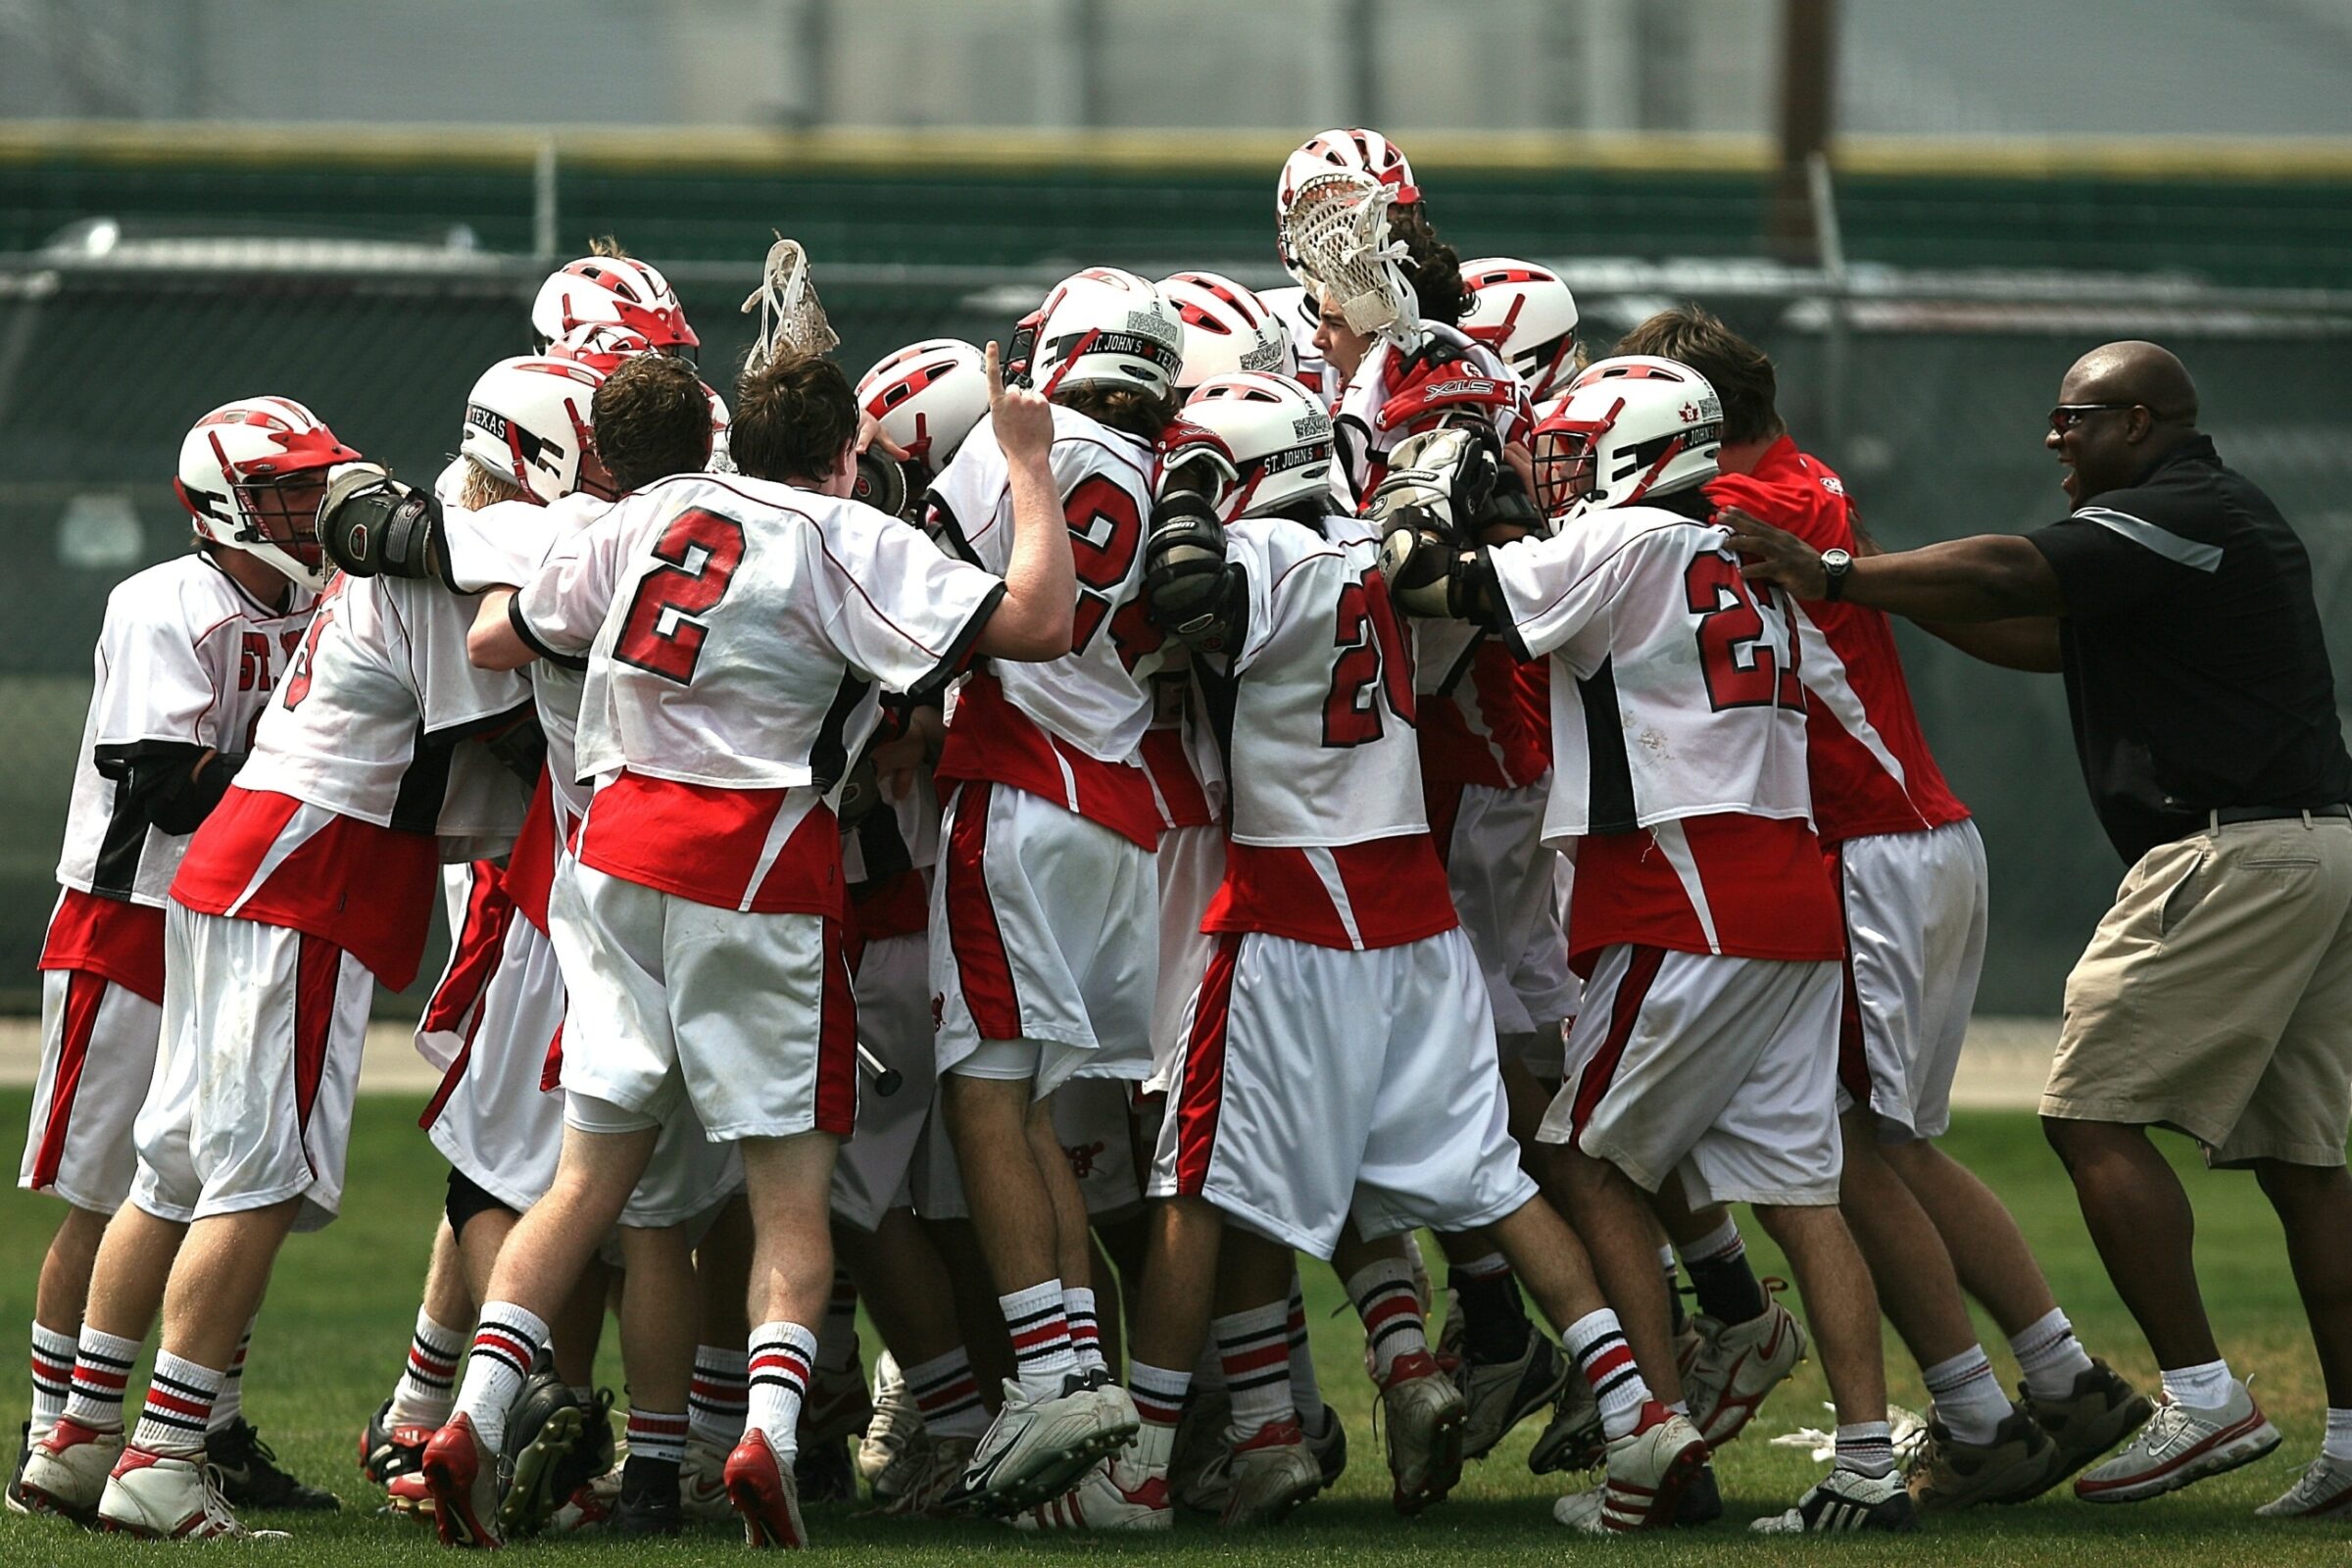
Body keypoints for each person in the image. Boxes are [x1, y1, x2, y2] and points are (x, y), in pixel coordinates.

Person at [426, 343, 1074, 1549]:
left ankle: (472, 1413)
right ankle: (766, 1442)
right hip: (755, 858)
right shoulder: (843, 532)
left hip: (612, 856)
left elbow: (507, 634)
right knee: (789, 1192)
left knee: (586, 1179)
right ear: (842, 458)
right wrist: (1028, 465)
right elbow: (1038, 617)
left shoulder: (651, 507)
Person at [1725, 338, 2352, 1521]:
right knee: (2307, 1165)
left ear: (2146, 421)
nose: (2055, 440)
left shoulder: (2180, 503)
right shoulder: (2201, 522)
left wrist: (1841, 576)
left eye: (2076, 418)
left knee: (2088, 1113)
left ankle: (2205, 1396)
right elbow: (2036, 634)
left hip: (2235, 848)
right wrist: (1875, 604)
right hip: (2316, 841)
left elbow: (2015, 570)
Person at [1622, 305, 2150, 1510]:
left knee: (1845, 1145)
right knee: (1883, 1142)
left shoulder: (1761, 506)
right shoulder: (1793, 482)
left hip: (1874, 848)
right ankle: (2053, 1381)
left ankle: (1989, 1405)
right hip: (1896, 843)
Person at [1379, 355, 1914, 1534]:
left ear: (1641, 448)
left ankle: (1652, 1446)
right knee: (1801, 1192)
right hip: (1786, 890)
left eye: (1575, 448)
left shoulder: (1627, 543)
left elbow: (1429, 583)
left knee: (1582, 1160)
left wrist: (1413, 491)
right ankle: (1868, 1464)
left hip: (1684, 893)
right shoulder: (1737, 548)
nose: (1558, 470)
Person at [13, 400, 338, 1524]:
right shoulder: (165, 599)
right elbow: (159, 780)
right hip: (130, 913)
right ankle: (56, 1424)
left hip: (232, 916)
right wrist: (310, 773)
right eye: (289, 488)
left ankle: (206, 1423)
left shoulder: (317, 600)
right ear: (225, 505)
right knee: (107, 1190)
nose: (311, 507)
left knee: (213, 1176)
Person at [921, 268, 1178, 1513]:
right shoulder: (1164, 468)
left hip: (1024, 793)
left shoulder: (1029, 443)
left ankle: (1040, 1377)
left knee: (983, 1100)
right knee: (1038, 1119)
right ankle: (1080, 1384)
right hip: (1118, 817)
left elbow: (924, 579)